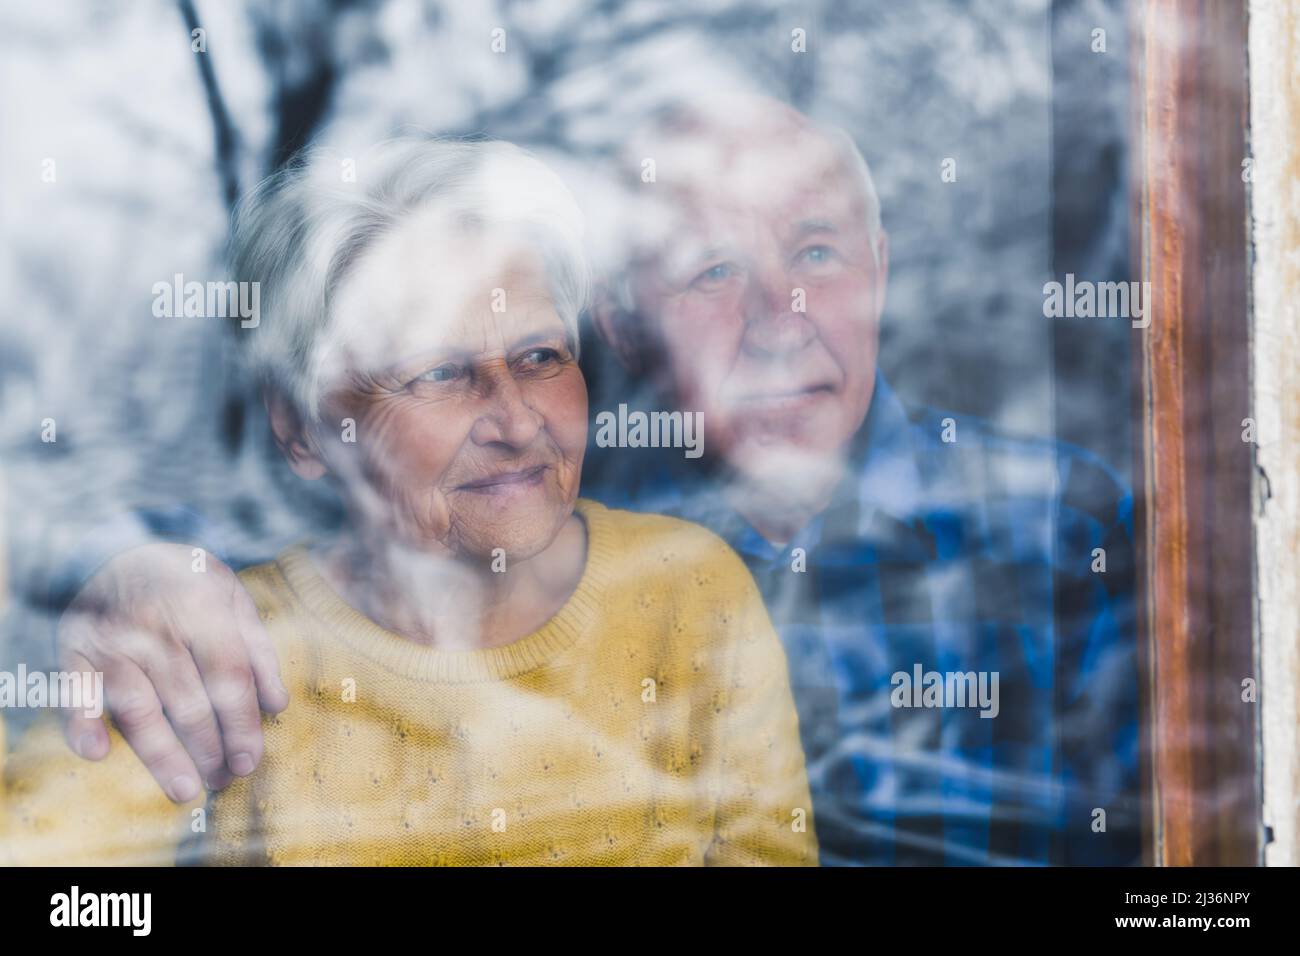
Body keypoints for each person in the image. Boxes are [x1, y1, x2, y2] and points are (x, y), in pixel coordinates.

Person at [49, 92, 1139, 866]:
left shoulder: (1049, 518)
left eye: (817, 253)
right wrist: (125, 563)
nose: (779, 321)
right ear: (625, 320)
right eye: (714, 269)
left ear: (882, 269)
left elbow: (1178, 862)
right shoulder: (550, 505)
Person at [0, 136, 817, 866]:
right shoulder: (224, 646)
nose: (518, 419)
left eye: (539, 355)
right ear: (303, 429)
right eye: (437, 372)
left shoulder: (688, 589)